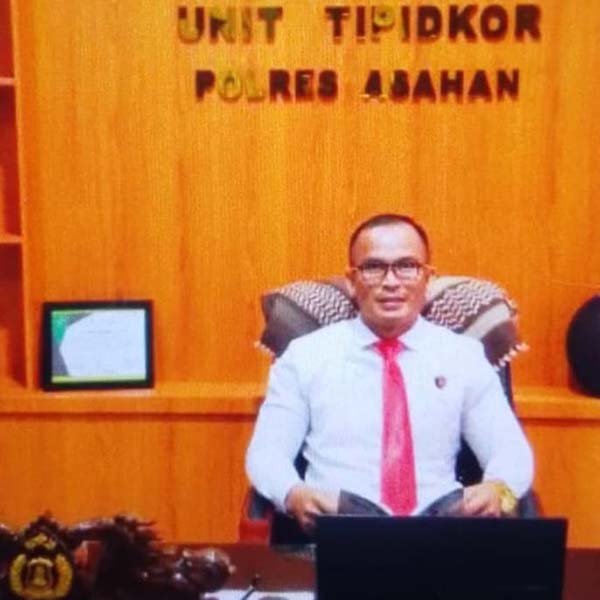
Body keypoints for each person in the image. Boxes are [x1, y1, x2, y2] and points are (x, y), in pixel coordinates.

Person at [246, 214, 534, 531]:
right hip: (337, 533)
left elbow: (511, 452)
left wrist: (499, 491)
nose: (391, 282)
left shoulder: (463, 356)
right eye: (374, 267)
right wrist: (292, 493)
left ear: (428, 278)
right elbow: (267, 453)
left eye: (407, 266)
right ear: (351, 281)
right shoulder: (305, 356)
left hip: (441, 533)